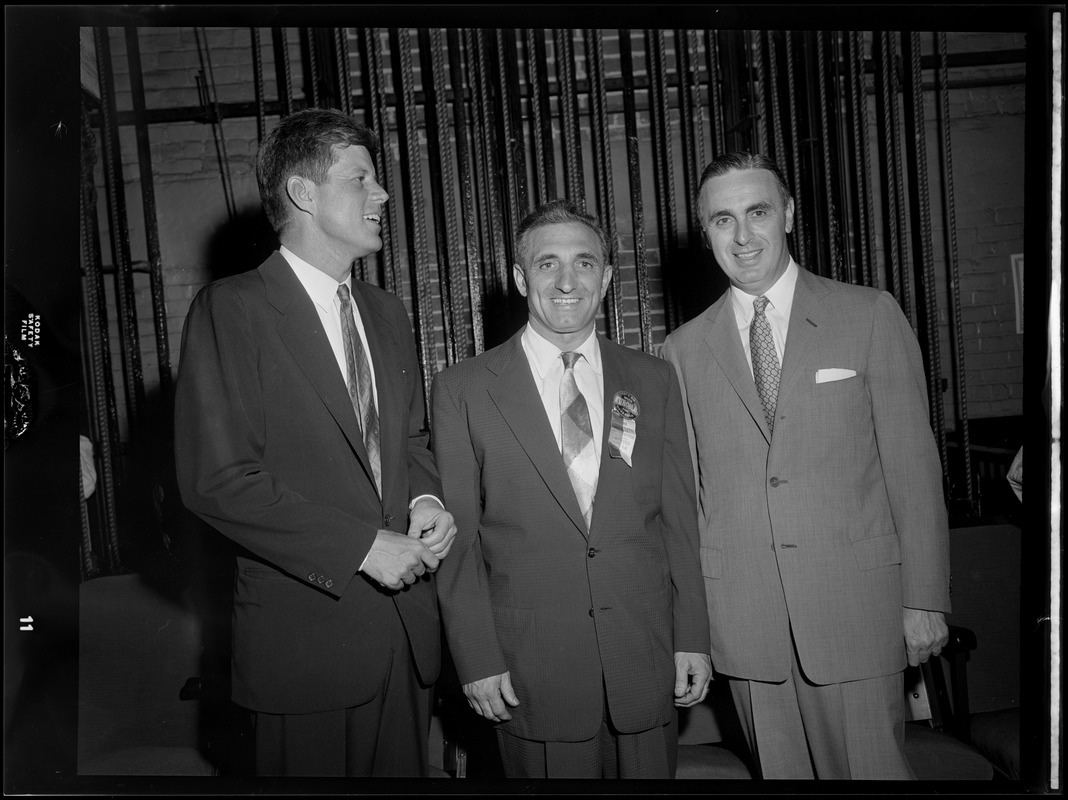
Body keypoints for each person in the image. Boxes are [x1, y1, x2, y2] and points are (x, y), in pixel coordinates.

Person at [174, 107, 456, 778]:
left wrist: (426, 499)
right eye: (361, 179)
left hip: (405, 640)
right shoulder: (232, 309)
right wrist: (361, 547)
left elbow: (412, 436)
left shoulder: (386, 314)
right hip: (306, 649)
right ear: (303, 194)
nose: (383, 195)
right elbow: (218, 480)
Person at [662, 152, 951, 780]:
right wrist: (691, 627)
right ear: (705, 232)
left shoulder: (869, 315)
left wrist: (924, 597)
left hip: (859, 609)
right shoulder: (682, 351)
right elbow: (688, 505)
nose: (742, 236)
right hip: (744, 624)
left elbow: (913, 468)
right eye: (722, 220)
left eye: (758, 212)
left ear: (789, 213)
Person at [431, 199, 711, 779]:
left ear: (607, 278)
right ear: (518, 278)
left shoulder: (652, 378)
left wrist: (693, 637)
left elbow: (678, 521)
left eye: (584, 263)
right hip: (530, 667)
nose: (566, 281)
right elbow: (456, 541)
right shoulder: (463, 388)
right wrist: (476, 656)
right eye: (546, 264)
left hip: (643, 655)